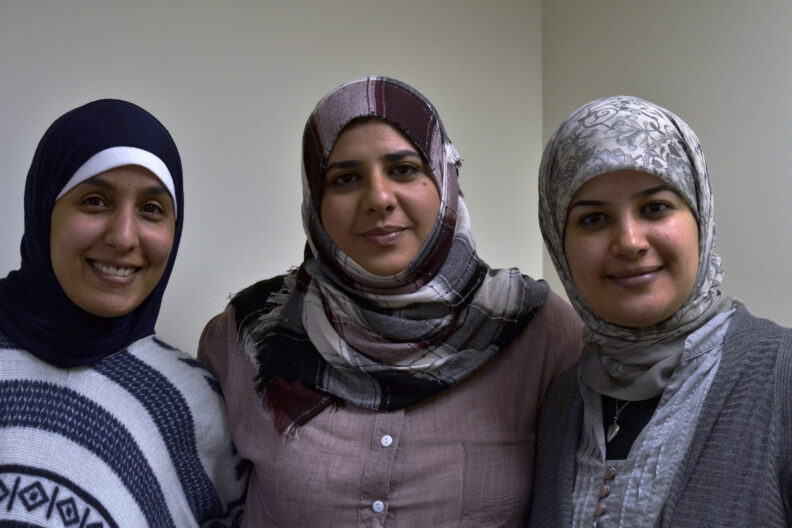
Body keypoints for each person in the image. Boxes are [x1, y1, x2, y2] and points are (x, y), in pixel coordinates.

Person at [198, 76, 582, 527]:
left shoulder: (539, 334)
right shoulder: (247, 336)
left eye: (403, 170)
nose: (378, 199)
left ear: (444, 180)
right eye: (345, 179)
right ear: (315, 203)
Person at [528, 95, 792, 527]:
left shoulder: (781, 376)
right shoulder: (560, 403)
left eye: (655, 208)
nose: (630, 241)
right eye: (593, 219)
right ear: (560, 244)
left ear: (700, 217)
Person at [0, 99, 246, 527]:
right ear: (44, 212)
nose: (124, 237)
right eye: (95, 201)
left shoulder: (191, 409)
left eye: (152, 209)